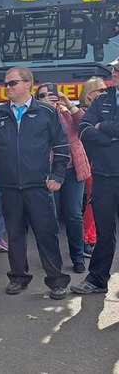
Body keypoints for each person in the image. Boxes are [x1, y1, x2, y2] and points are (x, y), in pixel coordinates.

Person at [0, 66, 71, 300]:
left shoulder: (46, 113)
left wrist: (58, 175)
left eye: (12, 83)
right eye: (6, 84)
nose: (7, 87)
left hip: (39, 186)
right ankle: (18, 277)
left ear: (27, 84)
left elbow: (61, 147)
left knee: (46, 234)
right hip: (9, 186)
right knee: (15, 234)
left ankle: (56, 281)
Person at [72, 57, 119, 295]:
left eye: (118, 69)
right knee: (104, 231)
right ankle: (97, 279)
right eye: (113, 69)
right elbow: (84, 130)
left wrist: (104, 127)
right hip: (104, 176)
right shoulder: (102, 99)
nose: (114, 72)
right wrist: (108, 134)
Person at [35, 83, 90, 273]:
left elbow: (84, 123)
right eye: (42, 96)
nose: (48, 98)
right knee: (51, 216)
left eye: (52, 95)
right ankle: (53, 260)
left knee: (74, 214)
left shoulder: (66, 113)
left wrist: (69, 103)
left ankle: (78, 257)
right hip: (50, 173)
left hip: (73, 170)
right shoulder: (35, 117)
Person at [78, 77, 107, 257]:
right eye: (101, 90)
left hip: (101, 163)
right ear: (90, 95)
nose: (105, 93)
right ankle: (88, 239)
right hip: (91, 164)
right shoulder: (84, 115)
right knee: (93, 203)